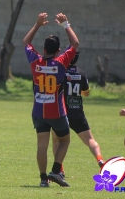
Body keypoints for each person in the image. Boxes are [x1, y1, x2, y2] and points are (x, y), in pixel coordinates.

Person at [23, 12, 79, 187]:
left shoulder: (35, 61)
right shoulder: (61, 62)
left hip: (38, 110)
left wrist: (38, 24)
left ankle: (42, 180)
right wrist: (65, 24)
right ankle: (55, 171)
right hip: (56, 111)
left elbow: (26, 42)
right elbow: (75, 43)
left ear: (44, 49)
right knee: (65, 140)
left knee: (42, 145)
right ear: (58, 51)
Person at [51, 50, 105, 176]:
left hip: (61, 113)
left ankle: (60, 170)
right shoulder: (81, 73)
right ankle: (100, 159)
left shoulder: (60, 71)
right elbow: (86, 93)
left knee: (56, 142)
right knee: (91, 140)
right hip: (77, 113)